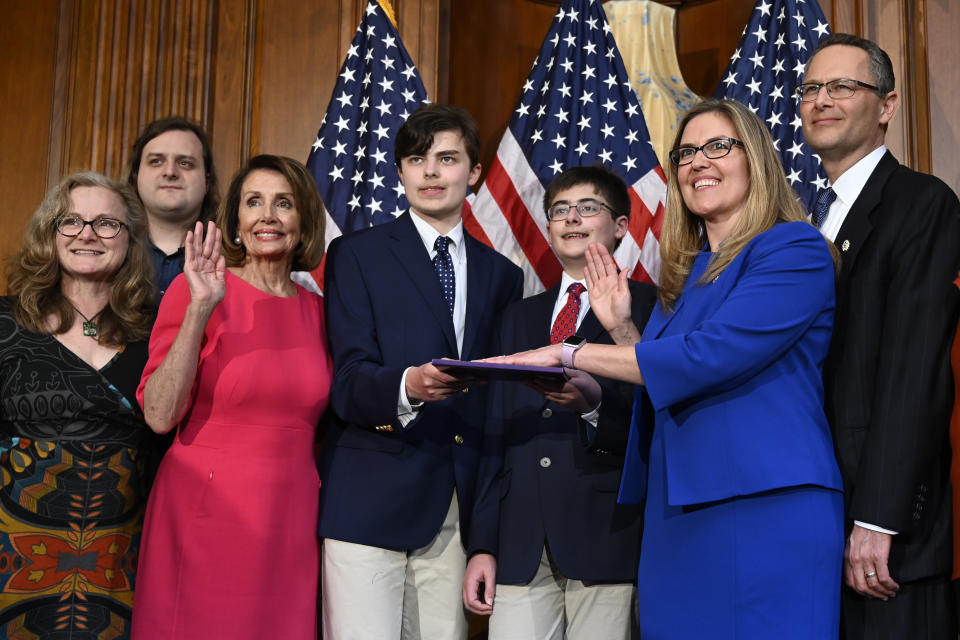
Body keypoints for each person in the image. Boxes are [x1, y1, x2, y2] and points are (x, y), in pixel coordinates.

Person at [496, 98, 844, 638]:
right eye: (686, 153)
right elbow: (664, 381)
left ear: (755, 159)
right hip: (675, 510)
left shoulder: (792, 247)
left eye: (718, 146)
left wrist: (565, 352)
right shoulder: (686, 276)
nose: (698, 162)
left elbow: (711, 356)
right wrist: (620, 329)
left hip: (763, 506)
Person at [320, 104, 524, 639]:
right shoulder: (355, 255)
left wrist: (483, 536)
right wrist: (408, 385)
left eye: (447, 158)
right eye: (417, 159)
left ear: (474, 172)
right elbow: (346, 381)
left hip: (455, 515)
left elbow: (493, 409)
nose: (431, 172)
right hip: (368, 500)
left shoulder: (501, 274)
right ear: (402, 171)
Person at [799, 33, 960, 639]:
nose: (823, 100)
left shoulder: (922, 203)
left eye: (843, 86)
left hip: (886, 538)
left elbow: (915, 369)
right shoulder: (802, 219)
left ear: (887, 106)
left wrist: (879, 517)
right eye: (812, 88)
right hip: (817, 515)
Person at [130, 155, 329, 639]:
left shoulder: (324, 313)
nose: (267, 216)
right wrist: (200, 309)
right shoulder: (196, 290)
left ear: (302, 220)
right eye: (253, 202)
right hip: (205, 509)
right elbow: (158, 415)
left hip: (292, 516)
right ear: (235, 221)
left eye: (283, 203)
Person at [463, 165, 655, 639]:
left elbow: (656, 420)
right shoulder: (516, 317)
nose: (571, 219)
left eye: (588, 208)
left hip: (607, 533)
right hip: (520, 542)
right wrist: (483, 544)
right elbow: (494, 433)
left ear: (621, 227)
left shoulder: (655, 308)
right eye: (559, 211)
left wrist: (591, 410)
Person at [0, 171, 155, 638]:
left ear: (130, 240)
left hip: (121, 557)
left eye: (107, 223)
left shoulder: (158, 330)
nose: (87, 234)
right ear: (50, 234)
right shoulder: (6, 322)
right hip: (13, 550)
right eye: (71, 221)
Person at [127, 116, 219, 296]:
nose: (170, 172)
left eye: (185, 163)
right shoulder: (108, 247)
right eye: (156, 161)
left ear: (207, 182)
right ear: (135, 175)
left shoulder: (232, 256)